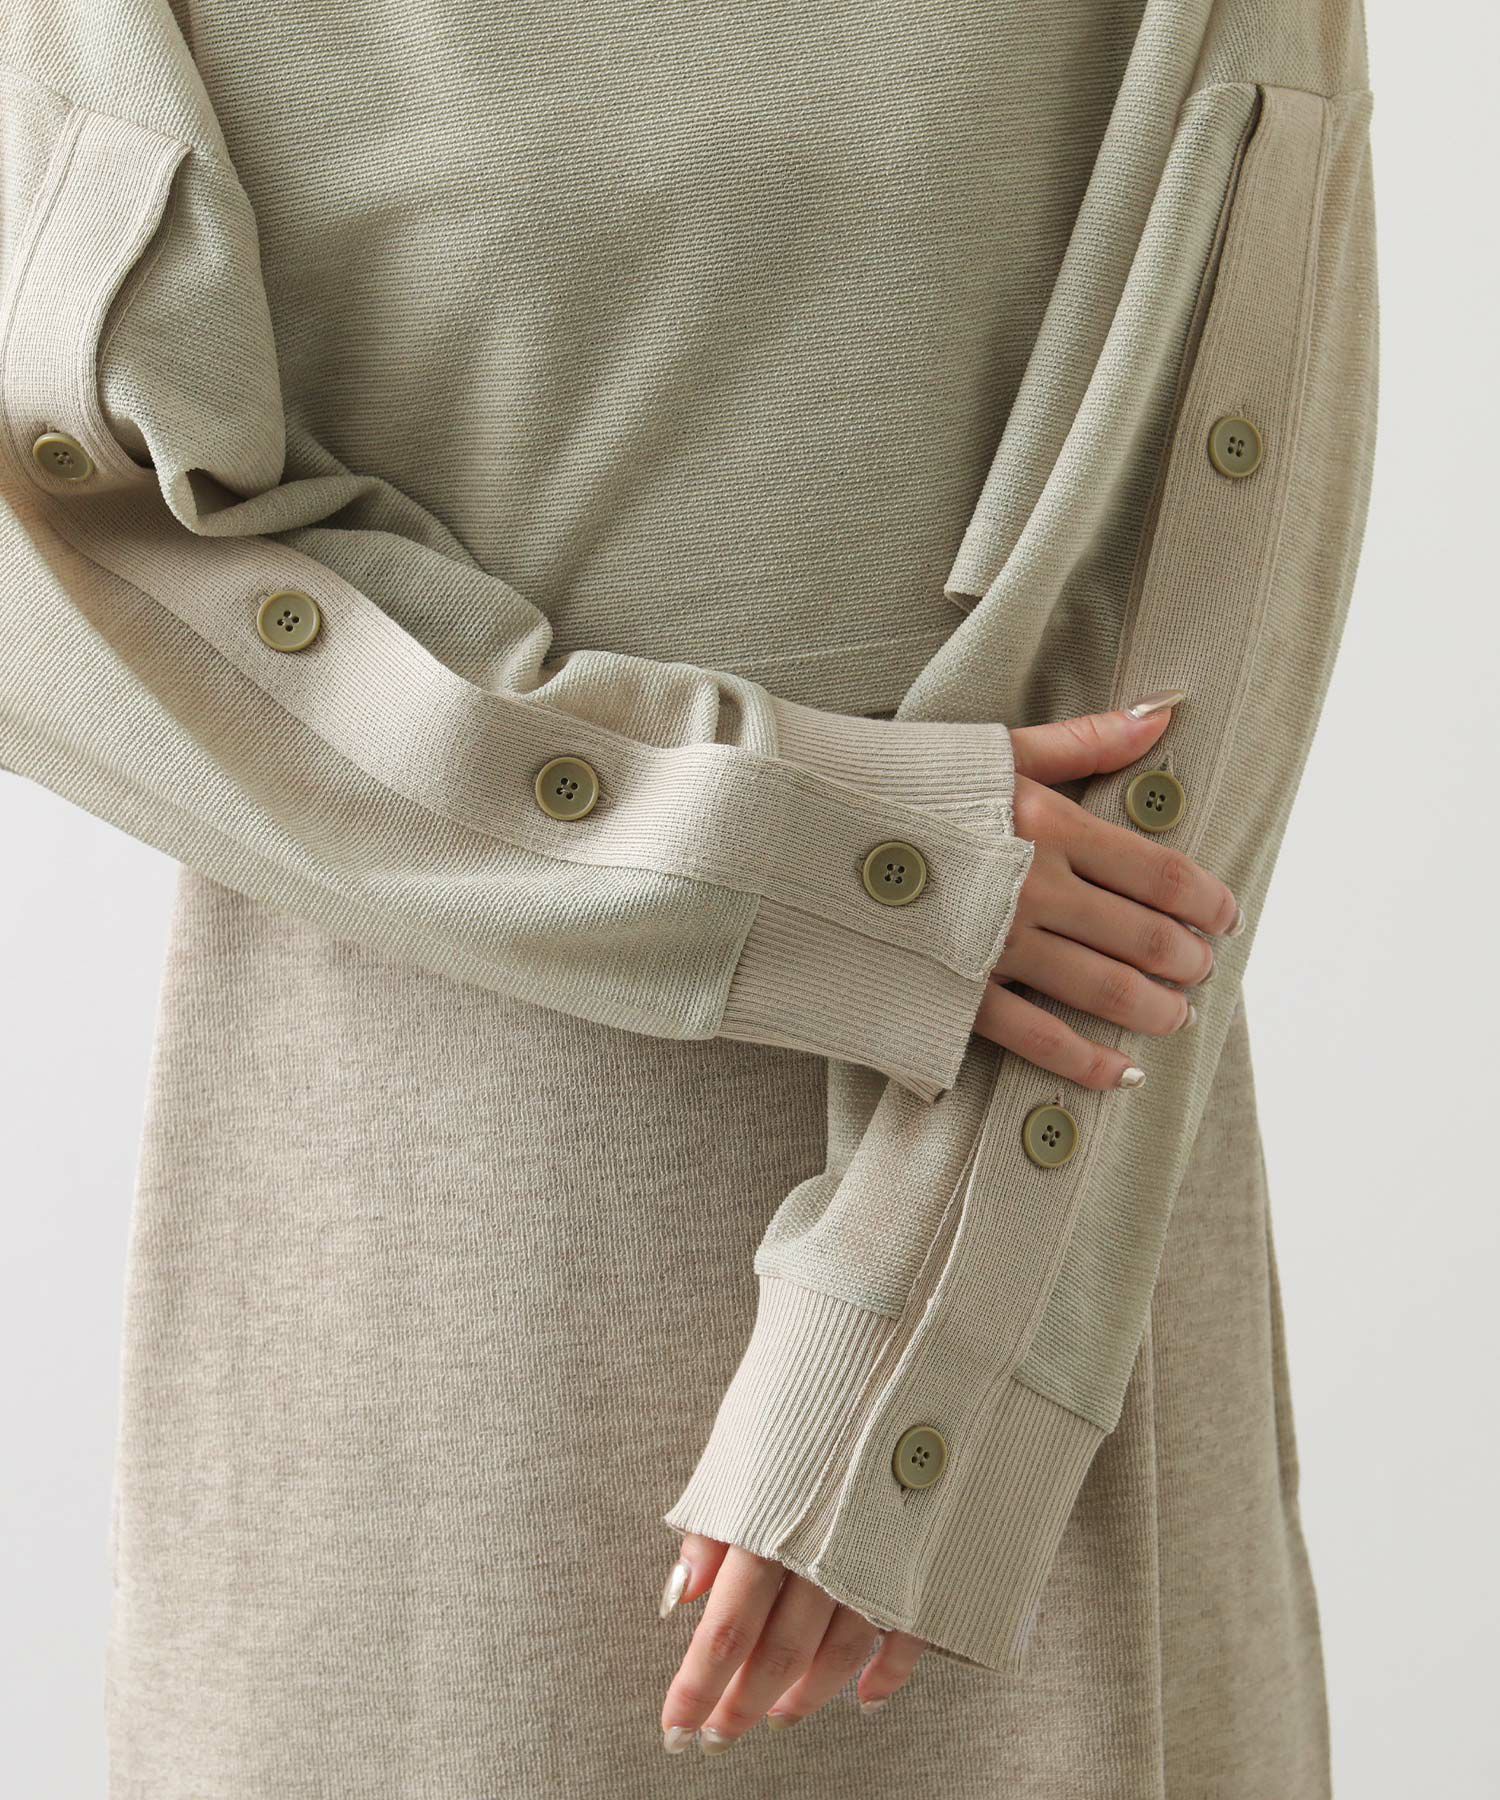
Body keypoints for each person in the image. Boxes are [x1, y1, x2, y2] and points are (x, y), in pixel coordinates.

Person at [0, 0, 1377, 1793]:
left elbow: (1207, 547)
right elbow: (52, 534)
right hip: (428, 1268)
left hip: (1028, 1213)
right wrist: (801, 856)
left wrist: (923, 1333)